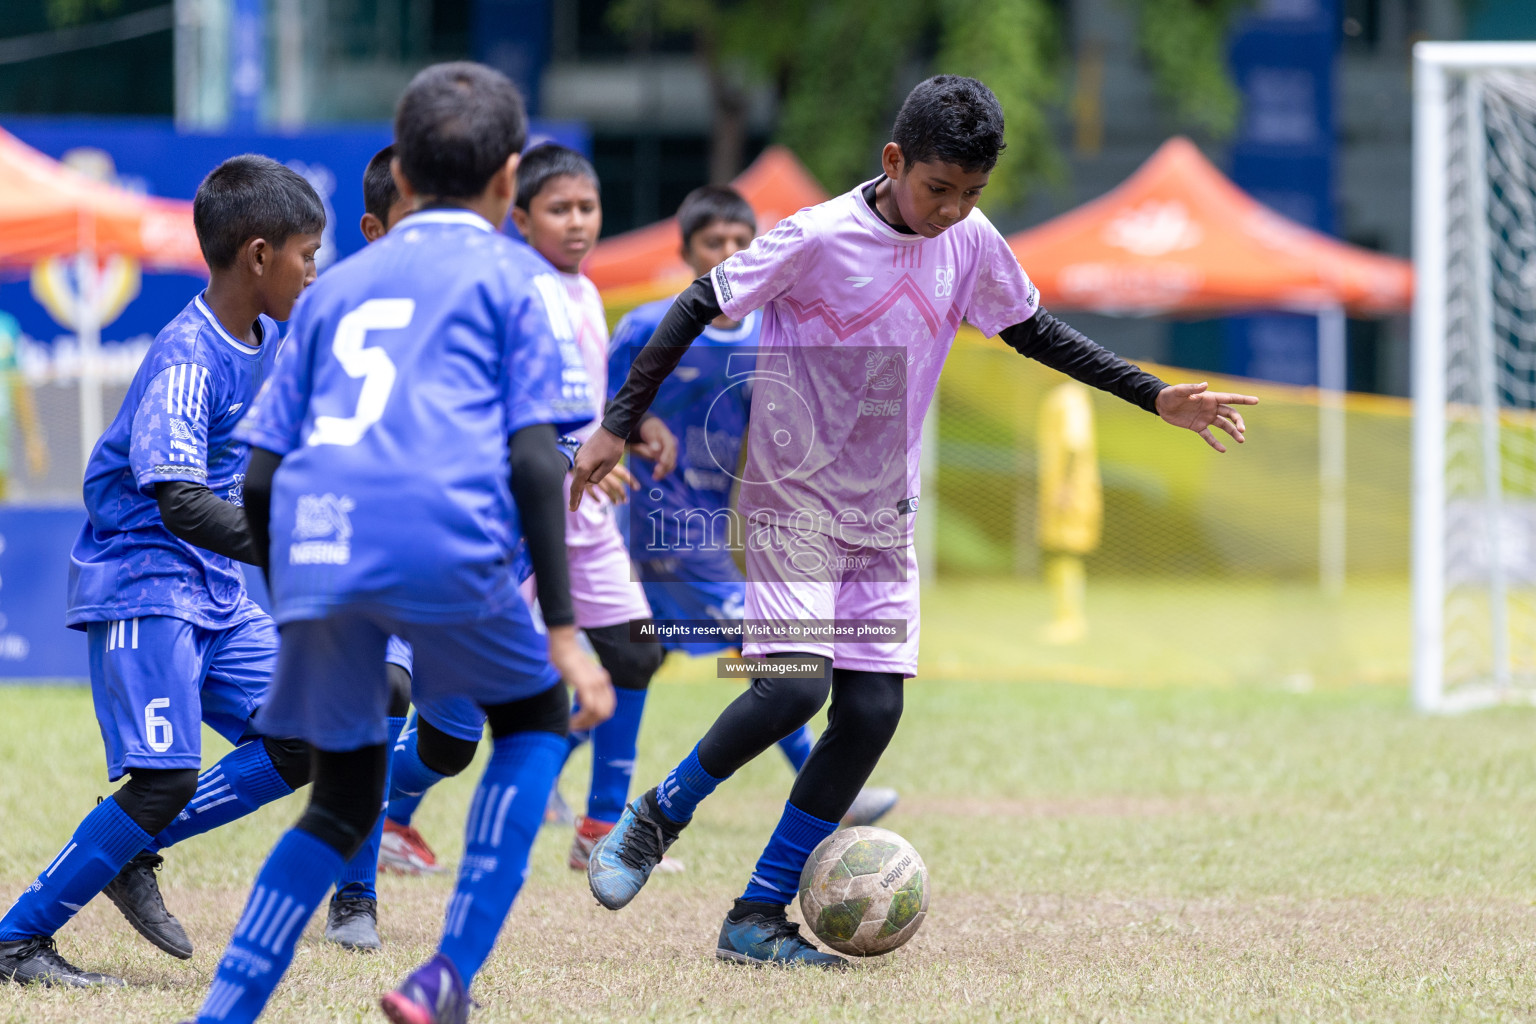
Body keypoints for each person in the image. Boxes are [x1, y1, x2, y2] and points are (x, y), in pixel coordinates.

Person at [572, 75, 1259, 968]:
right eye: (939, 189)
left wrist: (1154, 394)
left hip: (880, 513)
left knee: (871, 710)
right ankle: (655, 817)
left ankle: (757, 915)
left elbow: (1035, 329)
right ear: (894, 162)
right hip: (793, 504)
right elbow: (701, 301)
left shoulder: (969, 240)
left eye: (972, 194)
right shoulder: (816, 236)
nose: (953, 211)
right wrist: (618, 423)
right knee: (790, 688)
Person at [188, 62, 613, 1024]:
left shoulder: (333, 290)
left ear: (404, 180)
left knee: (339, 801)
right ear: (510, 182)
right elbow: (540, 461)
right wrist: (559, 624)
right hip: (446, 537)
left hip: (319, 549)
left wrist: (297, 589)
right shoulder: (519, 281)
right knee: (539, 723)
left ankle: (222, 1013)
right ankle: (444, 977)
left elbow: (259, 475)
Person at [0, 155, 325, 986]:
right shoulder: (188, 356)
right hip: (145, 579)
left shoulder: (272, 341)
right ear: (258, 256)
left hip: (213, 586)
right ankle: (16, 940)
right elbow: (179, 502)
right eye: (307, 255)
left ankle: (129, 853)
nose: (314, 272)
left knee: (307, 733)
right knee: (165, 775)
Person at [376, 143, 683, 880]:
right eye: (559, 210)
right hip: (522, 507)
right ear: (519, 217)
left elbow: (581, 393)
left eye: (587, 208)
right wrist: (572, 454)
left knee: (637, 645)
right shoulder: (518, 289)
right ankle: (385, 811)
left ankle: (603, 824)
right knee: (460, 723)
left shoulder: (580, 289)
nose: (577, 223)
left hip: (585, 501)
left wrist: (626, 426)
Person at [610, 184, 898, 827]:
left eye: (742, 243)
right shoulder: (646, 326)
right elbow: (599, 416)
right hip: (662, 526)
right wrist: (634, 428)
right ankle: (830, 795)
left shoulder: (771, 336)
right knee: (776, 650)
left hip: (713, 525)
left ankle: (555, 774)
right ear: (686, 251)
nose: (729, 252)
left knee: (633, 666)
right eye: (714, 243)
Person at [1037, 381, 1101, 644]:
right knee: (1059, 554)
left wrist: (1065, 487)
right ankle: (1064, 617)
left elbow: (1075, 443)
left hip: (1071, 492)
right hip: (1065, 489)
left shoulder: (1070, 398)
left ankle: (1070, 620)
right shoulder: (1064, 395)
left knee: (1066, 554)